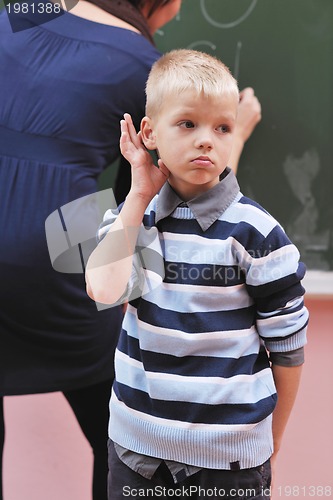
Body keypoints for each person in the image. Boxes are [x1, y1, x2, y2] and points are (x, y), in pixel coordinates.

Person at [0, 1, 260, 498]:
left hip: (41, 229)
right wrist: (233, 132)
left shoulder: (14, 13)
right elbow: (175, 202)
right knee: (128, 430)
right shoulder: (145, 68)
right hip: (48, 244)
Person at [86, 49, 309, 500]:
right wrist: (139, 192)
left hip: (229, 460)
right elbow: (103, 290)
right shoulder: (133, 219)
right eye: (188, 124)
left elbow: (288, 348)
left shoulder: (258, 234)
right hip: (136, 451)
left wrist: (274, 433)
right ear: (149, 133)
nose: (207, 140)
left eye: (223, 128)